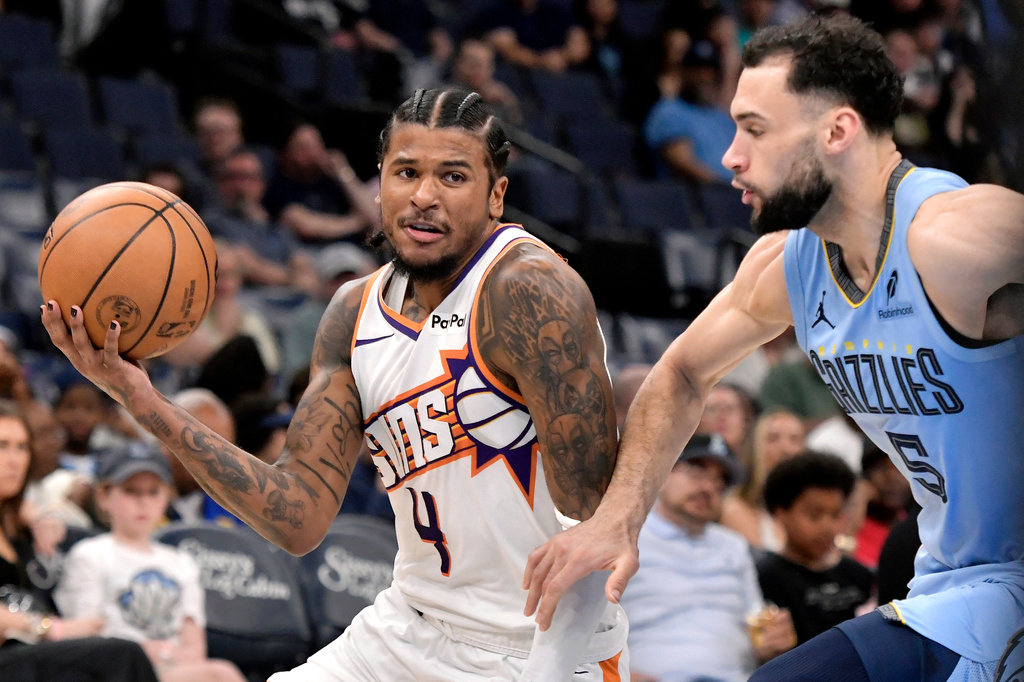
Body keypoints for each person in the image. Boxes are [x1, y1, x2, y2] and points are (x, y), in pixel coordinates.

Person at [40, 86, 628, 681]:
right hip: (410, 628)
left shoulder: (528, 290)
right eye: (406, 172)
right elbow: (297, 515)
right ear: (380, 185)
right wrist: (143, 400)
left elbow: (595, 516)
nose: (424, 196)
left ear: (496, 195)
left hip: (537, 644)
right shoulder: (354, 312)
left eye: (453, 177)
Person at [524, 14, 1023, 682]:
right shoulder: (788, 266)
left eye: (754, 129)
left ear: (837, 131)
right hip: (950, 573)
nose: (730, 155)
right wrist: (617, 520)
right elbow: (680, 374)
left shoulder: (956, 237)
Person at [53, 442, 248, 682]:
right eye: (131, 491)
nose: (143, 502)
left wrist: (160, 654)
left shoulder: (181, 563)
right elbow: (86, 639)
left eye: (153, 492)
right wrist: (150, 654)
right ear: (103, 496)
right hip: (114, 673)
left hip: (173, 673)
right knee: (220, 673)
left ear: (166, 497)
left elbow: (195, 651)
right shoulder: (90, 555)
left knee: (220, 672)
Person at [0, 398, 162, 682]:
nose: (15, 459)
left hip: (28, 654)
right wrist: (50, 628)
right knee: (122, 655)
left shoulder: (19, 523)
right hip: (14, 656)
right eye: (2, 446)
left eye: (22, 447)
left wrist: (37, 517)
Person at [621, 434, 795, 682]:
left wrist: (772, 641)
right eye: (696, 472)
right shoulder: (627, 537)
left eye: (720, 481)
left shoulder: (733, 546)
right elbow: (590, 627)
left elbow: (756, 622)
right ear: (662, 474)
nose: (708, 487)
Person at [756, 452, 874, 645]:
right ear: (780, 512)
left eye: (836, 515)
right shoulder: (766, 578)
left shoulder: (859, 575)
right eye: (814, 515)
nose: (827, 528)